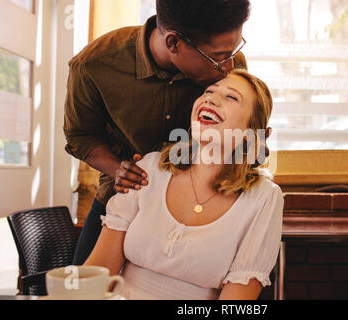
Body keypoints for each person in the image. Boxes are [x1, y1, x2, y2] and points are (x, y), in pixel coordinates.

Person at [64, 0, 252, 265]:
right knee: (84, 289)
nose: (229, 69)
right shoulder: (94, 66)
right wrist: (117, 168)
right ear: (174, 43)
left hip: (201, 206)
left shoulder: (228, 61)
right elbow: (80, 136)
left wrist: (248, 145)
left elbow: (241, 125)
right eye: (218, 59)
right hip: (122, 201)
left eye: (233, 52)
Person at [84, 69, 284, 300]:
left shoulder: (264, 198)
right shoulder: (150, 168)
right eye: (208, 91)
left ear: (252, 133)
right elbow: (99, 273)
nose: (210, 98)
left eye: (231, 97)